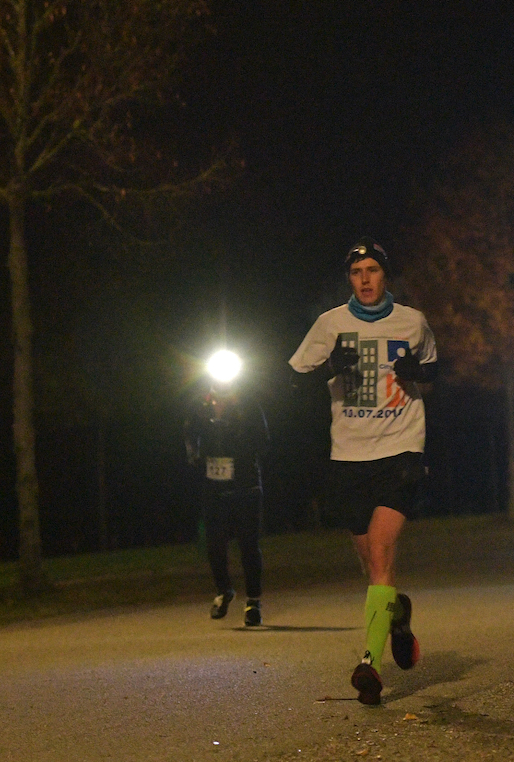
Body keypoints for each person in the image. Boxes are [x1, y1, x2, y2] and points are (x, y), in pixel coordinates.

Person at [289, 237, 437, 706]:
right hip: (349, 454)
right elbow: (294, 377)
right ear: (349, 279)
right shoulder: (330, 324)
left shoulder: (413, 321)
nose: (366, 279)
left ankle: (369, 664)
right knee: (371, 566)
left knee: (381, 549)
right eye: (357, 272)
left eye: (373, 270)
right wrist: (327, 367)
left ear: (385, 275)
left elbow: (433, 374)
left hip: (401, 449)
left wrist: (419, 373)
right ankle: (397, 613)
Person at [184, 377, 270, 626]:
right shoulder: (199, 406)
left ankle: (253, 601)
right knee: (214, 544)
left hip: (246, 485)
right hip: (214, 486)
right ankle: (224, 591)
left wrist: (238, 448)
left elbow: (263, 441)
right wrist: (195, 455)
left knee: (249, 545)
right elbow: (189, 435)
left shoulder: (248, 405)